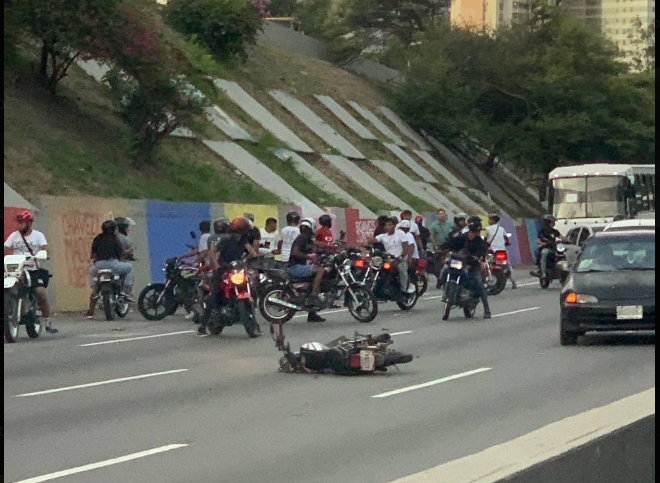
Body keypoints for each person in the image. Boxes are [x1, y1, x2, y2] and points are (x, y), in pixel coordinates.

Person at [200, 218, 259, 335]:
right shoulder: (226, 239)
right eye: (245, 229)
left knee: (251, 287)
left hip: (237, 268)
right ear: (241, 229)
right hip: (223, 269)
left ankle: (254, 324)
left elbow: (252, 251)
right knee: (214, 296)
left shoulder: (243, 240)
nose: (247, 232)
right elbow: (212, 252)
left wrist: (254, 257)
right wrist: (217, 266)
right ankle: (202, 326)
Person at [4, 210, 58, 334]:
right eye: (18, 223)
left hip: (33, 269)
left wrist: (42, 254)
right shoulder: (14, 235)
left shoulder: (38, 235)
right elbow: (6, 248)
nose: (19, 225)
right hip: (17, 269)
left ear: (29, 223)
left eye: (21, 222)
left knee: (40, 292)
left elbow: (44, 249)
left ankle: (47, 321)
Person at [440, 217, 491, 319]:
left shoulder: (479, 241)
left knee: (479, 284)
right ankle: (444, 289)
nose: (473, 233)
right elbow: (451, 243)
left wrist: (477, 257)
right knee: (445, 270)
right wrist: (441, 248)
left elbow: (482, 250)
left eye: (475, 231)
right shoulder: (462, 237)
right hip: (458, 263)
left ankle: (487, 309)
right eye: (472, 231)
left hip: (472, 266)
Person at [86, 220, 135, 318]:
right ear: (113, 229)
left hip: (98, 266)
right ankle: (126, 291)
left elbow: (94, 254)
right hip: (113, 264)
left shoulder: (97, 238)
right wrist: (130, 251)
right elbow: (121, 253)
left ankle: (90, 311)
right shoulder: (115, 239)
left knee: (95, 288)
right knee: (129, 267)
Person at [289, 218, 327, 323]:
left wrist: (332, 246)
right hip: (294, 267)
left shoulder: (306, 238)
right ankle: (314, 295)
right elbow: (294, 252)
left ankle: (312, 313)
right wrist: (309, 258)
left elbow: (317, 244)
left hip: (298, 266)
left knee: (316, 278)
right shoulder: (301, 238)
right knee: (320, 270)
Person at [368, 218, 412, 294]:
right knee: (374, 267)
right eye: (386, 225)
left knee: (402, 270)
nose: (387, 227)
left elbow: (406, 247)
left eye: (389, 225)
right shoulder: (383, 236)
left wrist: (400, 257)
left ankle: (404, 290)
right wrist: (366, 243)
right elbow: (372, 240)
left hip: (400, 259)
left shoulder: (400, 233)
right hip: (388, 260)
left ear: (394, 226)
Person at [485, 214, 517, 289]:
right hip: (502, 251)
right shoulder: (501, 228)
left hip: (492, 251)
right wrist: (506, 243)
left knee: (487, 263)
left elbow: (485, 240)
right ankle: (513, 282)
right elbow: (506, 239)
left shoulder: (487, 229)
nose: (489, 221)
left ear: (493, 220)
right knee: (508, 265)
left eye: (490, 219)